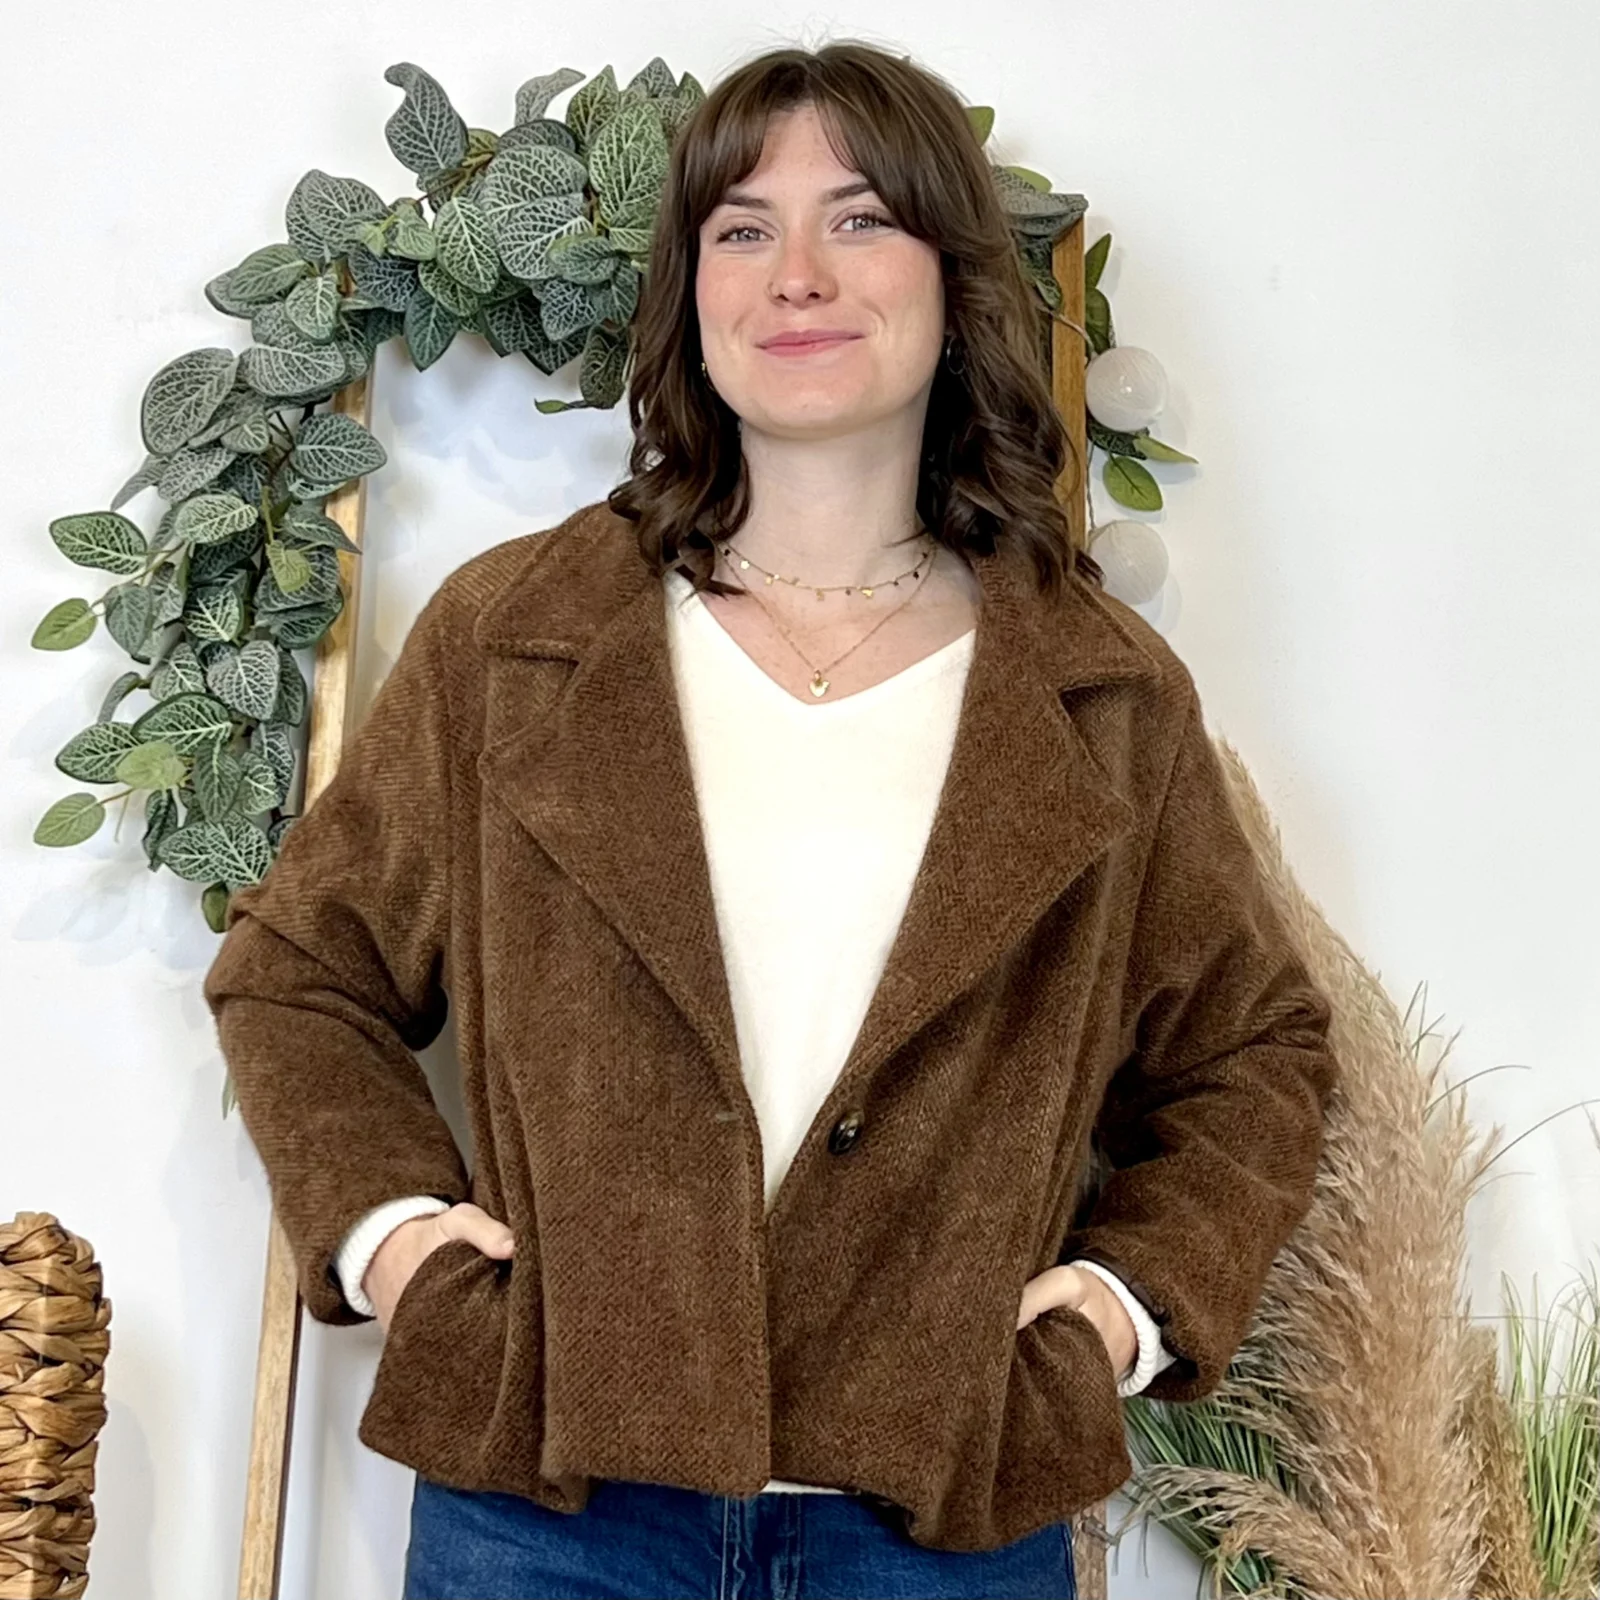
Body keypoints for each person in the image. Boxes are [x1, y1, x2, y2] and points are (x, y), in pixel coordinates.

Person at [203, 37, 1339, 1600]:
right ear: (691, 294)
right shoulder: (517, 639)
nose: (797, 273)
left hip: (939, 1528)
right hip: (552, 1517)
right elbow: (297, 975)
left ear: (952, 280)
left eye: (858, 218)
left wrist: (1119, 1314)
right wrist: (399, 1243)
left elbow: (1254, 1055)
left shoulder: (1098, 689)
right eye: (743, 229)